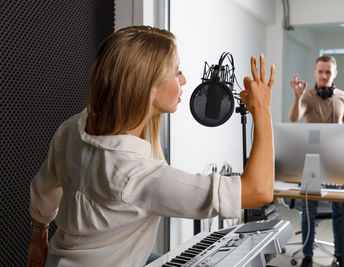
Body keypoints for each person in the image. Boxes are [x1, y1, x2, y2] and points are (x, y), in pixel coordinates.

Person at [27, 25, 276, 267]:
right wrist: (262, 111)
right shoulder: (137, 176)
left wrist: (38, 237)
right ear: (148, 87)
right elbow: (258, 191)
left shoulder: (74, 127)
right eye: (177, 72)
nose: (185, 79)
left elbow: (45, 189)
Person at [288, 55, 344, 267]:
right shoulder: (307, 96)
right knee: (309, 208)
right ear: (315, 72)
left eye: (328, 72)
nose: (324, 75)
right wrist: (297, 97)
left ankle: (340, 255)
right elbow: (293, 117)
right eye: (320, 71)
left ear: (335, 73)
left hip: (336, 158)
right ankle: (308, 255)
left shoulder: (342, 97)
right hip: (312, 161)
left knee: (339, 210)